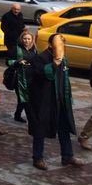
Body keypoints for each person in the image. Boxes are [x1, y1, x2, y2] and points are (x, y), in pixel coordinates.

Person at [28, 34, 85, 170]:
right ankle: (38, 158)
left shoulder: (63, 58)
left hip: (60, 100)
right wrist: (54, 64)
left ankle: (67, 156)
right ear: (50, 45)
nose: (61, 46)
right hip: (44, 101)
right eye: (59, 43)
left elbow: (65, 79)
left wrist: (68, 96)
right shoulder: (40, 58)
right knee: (40, 129)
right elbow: (41, 74)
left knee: (64, 128)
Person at [6, 30, 36, 123]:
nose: (26, 41)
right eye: (24, 38)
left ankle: (17, 115)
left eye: (28, 39)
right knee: (23, 98)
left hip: (30, 78)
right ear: (21, 39)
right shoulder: (16, 49)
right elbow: (8, 61)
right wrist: (18, 62)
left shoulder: (34, 49)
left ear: (32, 40)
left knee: (24, 99)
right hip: (18, 78)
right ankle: (30, 118)